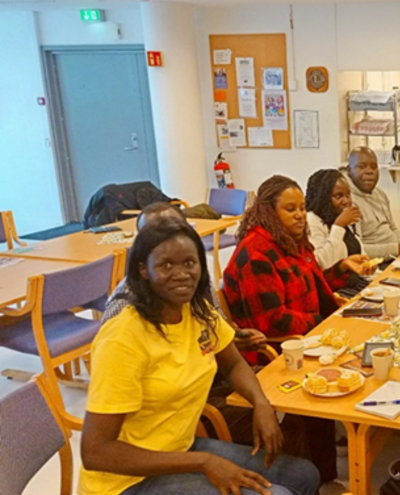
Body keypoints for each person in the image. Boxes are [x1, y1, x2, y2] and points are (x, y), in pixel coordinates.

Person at [79, 219, 320, 495]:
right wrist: (204, 461)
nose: (181, 273)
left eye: (189, 263)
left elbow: (231, 363)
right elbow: (96, 452)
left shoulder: (197, 311)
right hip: (125, 483)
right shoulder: (123, 337)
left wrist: (261, 403)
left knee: (304, 475)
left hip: (178, 449)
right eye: (166, 265)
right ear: (143, 271)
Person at [223, 175, 373, 342]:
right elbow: (273, 322)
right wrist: (321, 320)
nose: (300, 215)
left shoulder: (292, 240)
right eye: (290, 209)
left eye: (302, 208)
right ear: (269, 212)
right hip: (284, 348)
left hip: (309, 333)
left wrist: (342, 267)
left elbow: (310, 283)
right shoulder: (255, 253)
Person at [347, 147, 400, 257]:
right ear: (349, 170)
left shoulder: (380, 193)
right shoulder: (348, 202)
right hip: (374, 266)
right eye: (362, 167)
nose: (369, 171)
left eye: (374, 167)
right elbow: (357, 250)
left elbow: (393, 228)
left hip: (395, 257)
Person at [305, 168, 364, 269]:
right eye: (338, 196)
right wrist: (338, 226)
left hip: (359, 279)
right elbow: (323, 264)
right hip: (335, 284)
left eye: (348, 195)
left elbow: (360, 256)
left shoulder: (338, 216)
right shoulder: (311, 220)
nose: (346, 201)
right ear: (323, 198)